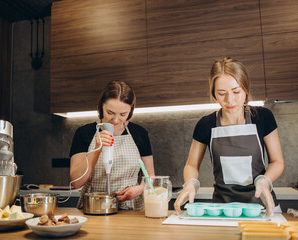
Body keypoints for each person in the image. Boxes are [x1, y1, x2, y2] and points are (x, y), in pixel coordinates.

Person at [174, 57, 284, 217]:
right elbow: (191, 165)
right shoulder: (205, 124)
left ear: (245, 88)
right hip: (222, 211)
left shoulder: (263, 117)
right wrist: (191, 184)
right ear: (214, 94)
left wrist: (265, 181)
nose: (229, 100)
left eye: (236, 91)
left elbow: (277, 162)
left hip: (262, 209)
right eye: (222, 93)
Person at [69, 80, 155, 209]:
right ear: (101, 106)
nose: (115, 120)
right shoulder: (84, 133)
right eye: (110, 113)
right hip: (94, 207)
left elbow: (150, 176)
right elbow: (76, 182)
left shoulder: (139, 133)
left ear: (131, 110)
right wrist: (97, 149)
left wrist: (141, 188)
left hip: (131, 208)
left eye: (123, 114)